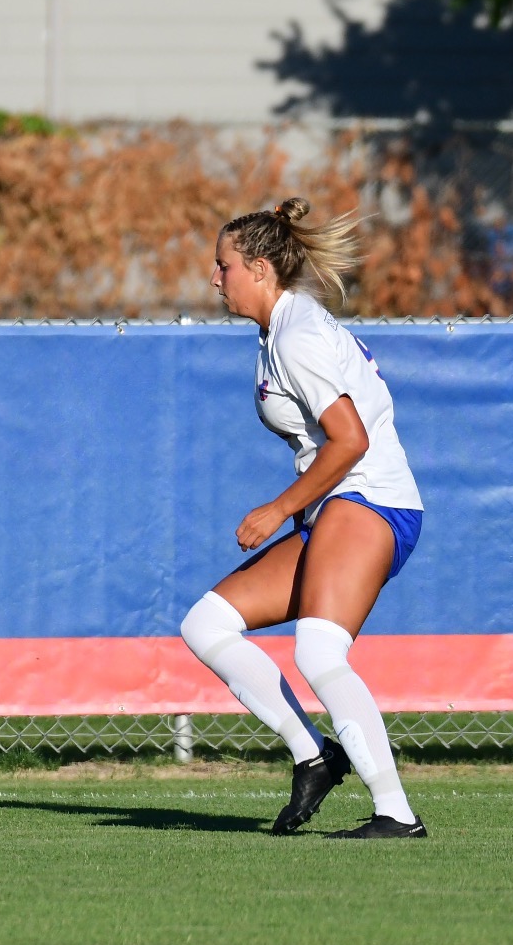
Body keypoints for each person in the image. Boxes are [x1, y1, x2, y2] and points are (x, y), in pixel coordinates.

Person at [179, 198, 427, 838]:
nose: (215, 278)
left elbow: (350, 442)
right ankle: (315, 756)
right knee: (207, 625)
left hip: (370, 499)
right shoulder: (277, 331)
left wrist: (278, 509)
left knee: (320, 654)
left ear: (259, 269)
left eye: (223, 265)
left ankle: (396, 814)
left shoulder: (296, 335)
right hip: (336, 505)